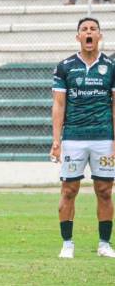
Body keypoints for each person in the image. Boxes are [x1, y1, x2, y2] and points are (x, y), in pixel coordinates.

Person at [50, 17, 115, 260]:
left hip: (104, 139)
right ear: (78, 37)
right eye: (84, 30)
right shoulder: (65, 66)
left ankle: (104, 244)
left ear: (100, 35)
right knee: (69, 189)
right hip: (74, 138)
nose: (89, 33)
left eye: (93, 29)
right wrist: (56, 140)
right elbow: (58, 104)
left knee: (105, 190)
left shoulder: (111, 66)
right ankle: (67, 244)